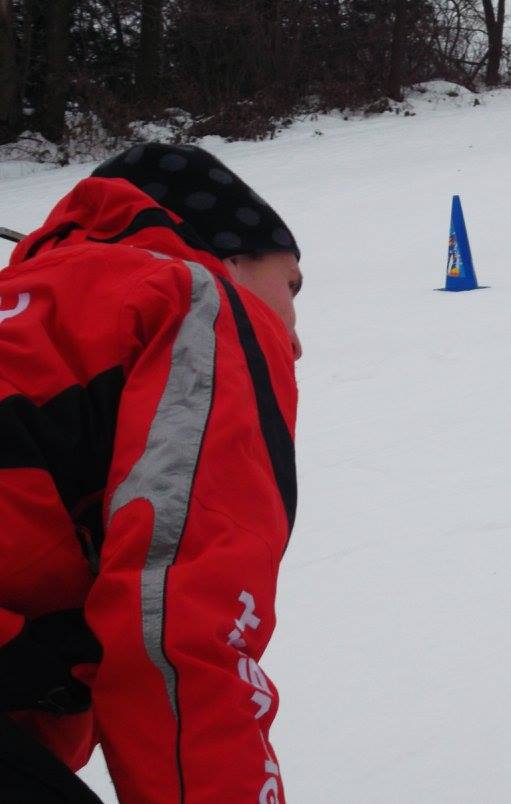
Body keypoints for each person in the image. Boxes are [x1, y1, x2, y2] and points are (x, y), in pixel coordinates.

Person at [0, 143, 302, 802]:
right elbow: (177, 629)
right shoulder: (193, 302)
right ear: (229, 258)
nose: (298, 339)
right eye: (292, 287)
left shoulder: (31, 316)